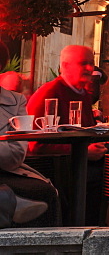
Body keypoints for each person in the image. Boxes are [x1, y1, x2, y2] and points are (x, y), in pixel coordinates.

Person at [26, 46, 102, 224]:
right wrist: (84, 151)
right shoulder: (49, 93)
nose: (90, 69)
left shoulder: (83, 94)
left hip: (76, 165)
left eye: (91, 63)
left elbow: (86, 131)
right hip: (55, 170)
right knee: (103, 176)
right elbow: (35, 145)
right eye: (84, 63)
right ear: (65, 66)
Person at [0, 85, 59, 226]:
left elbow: (16, 154)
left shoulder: (15, 101)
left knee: (45, 191)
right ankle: (9, 202)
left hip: (7, 170)